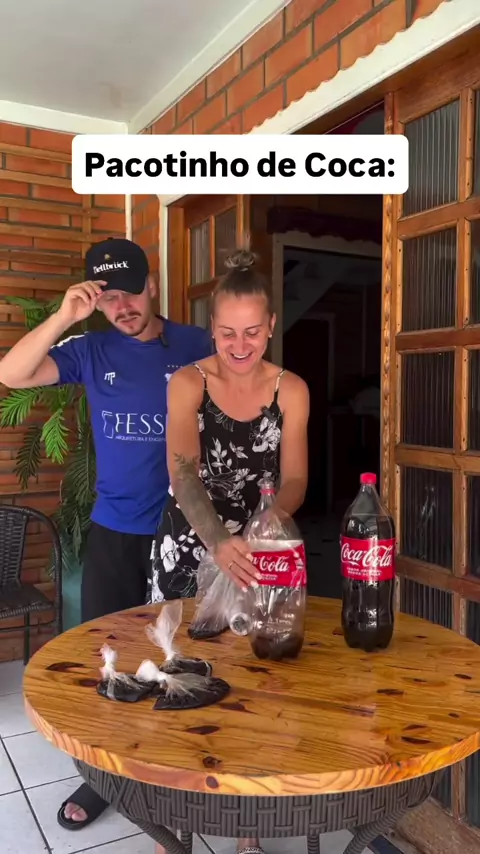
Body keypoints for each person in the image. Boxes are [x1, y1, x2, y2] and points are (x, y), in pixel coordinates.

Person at [0, 236, 212, 832]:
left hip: (181, 532)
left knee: (182, 653)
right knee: (111, 656)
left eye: (131, 293)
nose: (123, 307)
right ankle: (103, 777)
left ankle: (176, 763)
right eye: (108, 297)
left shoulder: (196, 344)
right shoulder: (89, 348)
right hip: (115, 529)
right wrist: (66, 316)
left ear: (153, 286)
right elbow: (11, 374)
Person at [149, 248, 310, 854]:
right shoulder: (189, 382)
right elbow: (183, 472)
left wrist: (269, 522)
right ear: (211, 328)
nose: (239, 345)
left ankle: (247, 827)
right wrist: (218, 540)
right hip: (191, 538)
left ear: (270, 326)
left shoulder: (291, 389)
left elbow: (295, 477)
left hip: (261, 542)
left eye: (251, 332)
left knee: (253, 682)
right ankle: (176, 826)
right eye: (226, 332)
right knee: (180, 675)